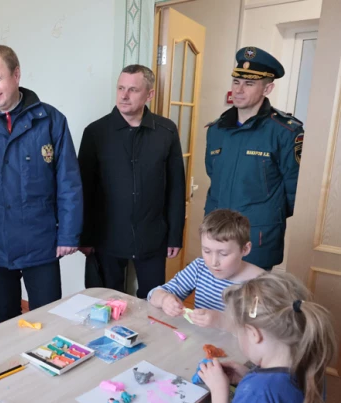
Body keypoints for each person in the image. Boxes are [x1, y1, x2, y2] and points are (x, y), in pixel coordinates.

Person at [0, 45, 83, 323]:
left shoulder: (51, 121)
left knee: (49, 319)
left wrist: (69, 234)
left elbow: (68, 182)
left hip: (41, 243)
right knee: (6, 320)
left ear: (16, 74)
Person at [198, 272, 337, 403]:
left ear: (254, 334)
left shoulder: (259, 392)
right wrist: (247, 376)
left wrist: (218, 391)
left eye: (239, 333)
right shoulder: (312, 367)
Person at [78, 64, 185, 298]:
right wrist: (84, 237)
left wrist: (175, 234)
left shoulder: (166, 131)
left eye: (133, 90)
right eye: (120, 88)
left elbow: (176, 187)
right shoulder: (96, 132)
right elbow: (84, 189)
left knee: (153, 301)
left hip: (153, 236)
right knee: (105, 301)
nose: (124, 96)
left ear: (149, 94)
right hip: (107, 236)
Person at [205, 47, 303, 271]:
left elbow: (294, 190)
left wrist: (265, 215)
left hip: (257, 236)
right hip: (217, 235)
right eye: (236, 81)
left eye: (249, 84)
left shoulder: (285, 131)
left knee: (252, 302)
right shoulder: (216, 130)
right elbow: (214, 177)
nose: (239, 90)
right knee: (213, 300)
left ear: (267, 88)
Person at [148, 209, 263, 330]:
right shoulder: (200, 267)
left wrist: (221, 321)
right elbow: (154, 294)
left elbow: (263, 332)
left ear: (245, 249)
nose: (213, 262)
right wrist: (164, 299)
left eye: (223, 253)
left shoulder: (260, 283)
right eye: (207, 251)